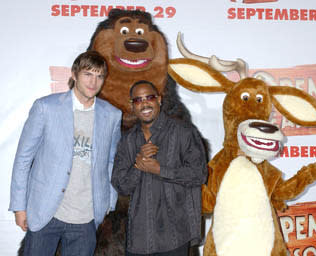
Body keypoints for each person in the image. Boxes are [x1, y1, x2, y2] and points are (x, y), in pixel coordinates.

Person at [9, 50, 122, 256]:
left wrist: (109, 201)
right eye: (88, 74)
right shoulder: (46, 108)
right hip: (46, 212)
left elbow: (111, 161)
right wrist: (19, 207)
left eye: (99, 76)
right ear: (74, 74)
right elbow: (24, 159)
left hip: (86, 218)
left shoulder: (112, 115)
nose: (93, 81)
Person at [111, 80, 208, 256]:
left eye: (150, 97)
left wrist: (160, 170)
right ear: (132, 106)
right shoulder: (128, 140)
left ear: (159, 100)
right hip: (139, 238)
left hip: (175, 235)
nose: (145, 103)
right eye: (138, 100)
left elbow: (199, 175)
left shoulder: (184, 132)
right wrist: (138, 165)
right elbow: (121, 185)